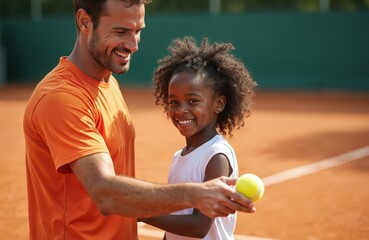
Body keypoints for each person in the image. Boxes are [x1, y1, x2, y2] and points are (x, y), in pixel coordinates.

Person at [23, 0, 256, 239]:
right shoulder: (61, 97)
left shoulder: (107, 83)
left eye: (138, 32)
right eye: (121, 31)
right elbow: (103, 191)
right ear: (84, 21)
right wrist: (195, 194)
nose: (133, 45)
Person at [140, 37, 257, 239]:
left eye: (193, 101)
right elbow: (175, 222)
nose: (181, 110)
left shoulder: (216, 156)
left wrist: (139, 213)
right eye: (174, 102)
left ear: (218, 105)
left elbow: (198, 226)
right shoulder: (180, 155)